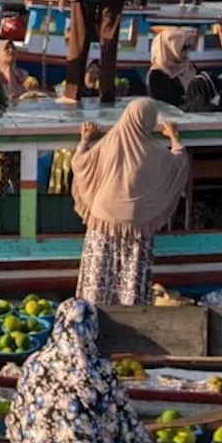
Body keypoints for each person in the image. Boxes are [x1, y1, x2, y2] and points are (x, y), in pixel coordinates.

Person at [7, 299, 163, 443]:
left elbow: (16, 416)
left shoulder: (33, 363)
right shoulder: (99, 370)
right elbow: (126, 423)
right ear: (92, 328)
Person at [72, 98, 188, 305]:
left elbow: (79, 164)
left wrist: (85, 140)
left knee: (98, 273)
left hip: (102, 217)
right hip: (136, 223)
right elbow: (179, 164)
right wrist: (174, 138)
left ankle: (94, 310)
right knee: (131, 275)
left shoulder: (110, 141)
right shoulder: (154, 151)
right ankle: (131, 314)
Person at [146, 28, 196, 108]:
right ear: (169, 48)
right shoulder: (157, 75)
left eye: (189, 47)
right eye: (183, 47)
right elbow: (165, 104)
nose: (187, 52)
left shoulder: (190, 68)